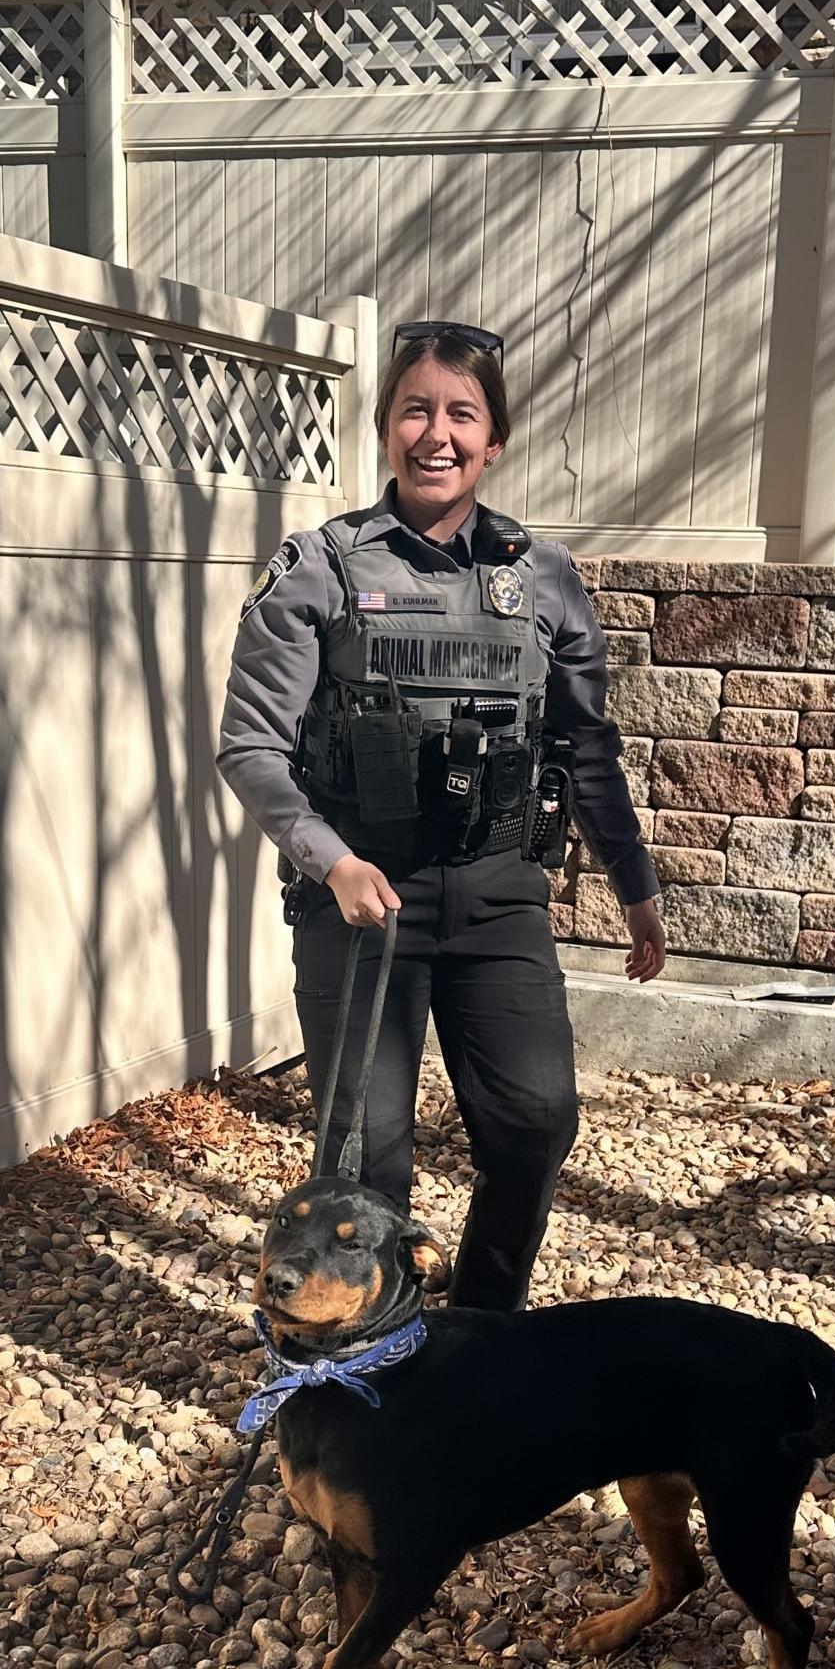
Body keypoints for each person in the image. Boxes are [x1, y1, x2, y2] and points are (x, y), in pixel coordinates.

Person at [217, 319, 666, 1315]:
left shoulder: (542, 577)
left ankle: (479, 1319)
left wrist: (634, 886)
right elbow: (251, 747)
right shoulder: (319, 568)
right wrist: (329, 861)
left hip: (500, 895)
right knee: (369, 1160)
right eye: (416, 409)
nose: (438, 433)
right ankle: (376, 1351)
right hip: (362, 903)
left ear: (493, 439)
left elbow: (587, 745)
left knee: (537, 1122)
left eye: (462, 413)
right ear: (384, 428)